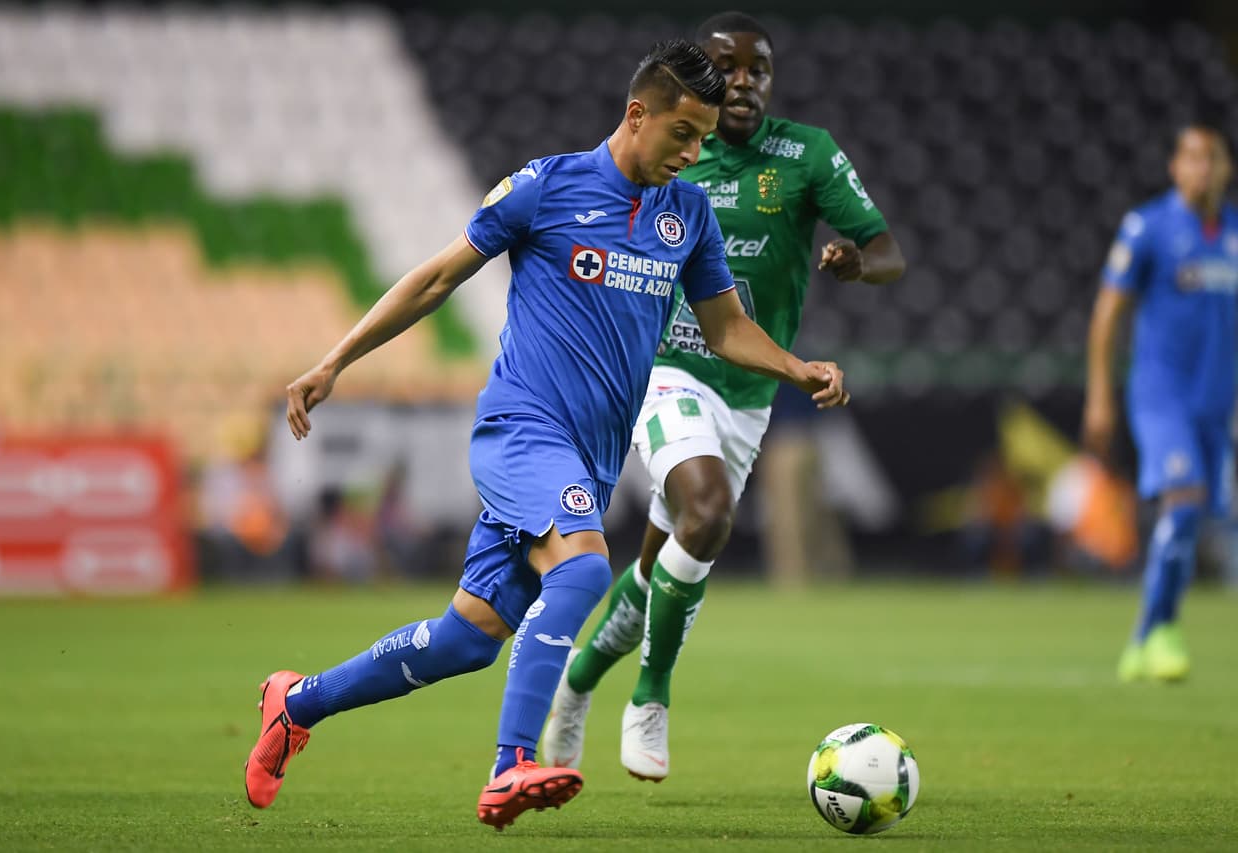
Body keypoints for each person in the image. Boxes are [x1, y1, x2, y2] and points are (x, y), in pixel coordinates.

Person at [243, 39, 850, 830]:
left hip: (590, 458)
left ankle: (297, 702)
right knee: (585, 569)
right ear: (639, 115)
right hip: (521, 431)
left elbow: (728, 327)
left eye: (703, 139)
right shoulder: (547, 185)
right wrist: (334, 361)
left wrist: (797, 368)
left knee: (465, 639)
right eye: (683, 134)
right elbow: (436, 277)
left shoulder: (687, 213)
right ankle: (512, 762)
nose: (695, 152)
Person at [542, 12, 904, 782]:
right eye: (725, 67)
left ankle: (575, 683)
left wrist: (851, 264)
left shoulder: (807, 154)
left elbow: (887, 250)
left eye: (757, 68)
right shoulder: (674, 156)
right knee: (708, 515)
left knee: (657, 570)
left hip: (748, 392)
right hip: (668, 369)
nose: (742, 80)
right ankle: (652, 693)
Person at [1083, 123, 1237, 683]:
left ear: (1226, 168)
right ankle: (1163, 631)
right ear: (1175, 167)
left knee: (1193, 518)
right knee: (1186, 500)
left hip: (1215, 403)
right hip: (1160, 395)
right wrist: (1100, 395)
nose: (1201, 168)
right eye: (1190, 157)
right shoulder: (1148, 226)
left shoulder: (1235, 233)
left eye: (1211, 158)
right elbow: (1107, 315)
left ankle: (1146, 636)